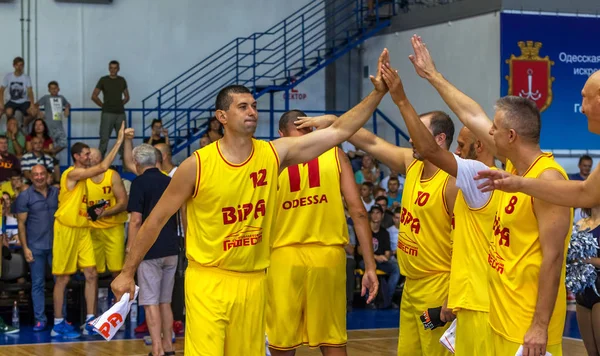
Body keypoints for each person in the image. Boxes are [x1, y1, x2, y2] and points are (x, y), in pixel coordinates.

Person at [111, 48, 389, 356]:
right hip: (209, 279)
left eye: (254, 106)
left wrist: (376, 95)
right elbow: (155, 220)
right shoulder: (197, 165)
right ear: (222, 117)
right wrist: (127, 271)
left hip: (254, 281)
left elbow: (338, 131)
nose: (252, 112)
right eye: (242, 107)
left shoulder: (273, 154)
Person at [408, 35, 572, 355]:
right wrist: (432, 75)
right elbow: (470, 113)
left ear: (511, 136)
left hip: (526, 329)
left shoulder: (548, 179)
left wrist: (539, 326)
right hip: (498, 318)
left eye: (495, 129)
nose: (489, 132)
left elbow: (553, 259)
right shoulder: (514, 167)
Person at [296, 91, 459, 356]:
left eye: (418, 131)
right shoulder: (412, 164)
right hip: (411, 285)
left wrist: (453, 295)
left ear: (439, 139)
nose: (410, 137)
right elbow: (370, 141)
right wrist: (335, 123)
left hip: (438, 286)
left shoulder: (452, 183)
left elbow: (466, 244)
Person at [378, 53, 501, 355]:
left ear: (480, 146)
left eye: (462, 145)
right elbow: (470, 113)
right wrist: (432, 74)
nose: (458, 151)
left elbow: (430, 148)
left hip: (452, 289)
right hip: (417, 284)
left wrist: (402, 98)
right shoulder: (460, 171)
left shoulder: (464, 180)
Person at [266, 110, 378, 355]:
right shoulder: (335, 154)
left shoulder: (271, 157)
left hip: (283, 258)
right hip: (328, 257)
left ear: (281, 133)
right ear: (311, 128)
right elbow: (358, 212)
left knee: (281, 342)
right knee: (332, 340)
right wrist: (369, 265)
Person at [475, 70, 600, 209]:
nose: (582, 109)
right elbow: (585, 193)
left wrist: (520, 184)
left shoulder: (548, 173)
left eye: (585, 97)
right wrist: (519, 184)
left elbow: (584, 194)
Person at [51, 123, 124, 339]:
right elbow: (102, 167)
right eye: (85, 154)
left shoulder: (84, 179)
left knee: (91, 273)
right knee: (63, 279)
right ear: (76, 156)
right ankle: (57, 323)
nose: (88, 156)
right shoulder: (72, 174)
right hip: (66, 228)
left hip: (82, 229)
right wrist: (118, 140)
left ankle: (90, 320)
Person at [127, 144, 179, 356]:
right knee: (165, 301)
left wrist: (131, 249)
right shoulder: (170, 181)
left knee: (150, 302)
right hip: (171, 247)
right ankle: (169, 346)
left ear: (138, 163)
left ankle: (157, 349)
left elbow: (136, 220)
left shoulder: (139, 183)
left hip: (149, 250)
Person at [15, 164, 59, 331]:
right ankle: (40, 319)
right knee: (37, 284)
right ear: (31, 177)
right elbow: (21, 224)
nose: (39, 177)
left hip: (56, 245)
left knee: (60, 282)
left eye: (42, 174)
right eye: (36, 175)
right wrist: (25, 248)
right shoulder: (24, 196)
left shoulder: (57, 193)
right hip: (35, 247)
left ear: (47, 175)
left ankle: (60, 318)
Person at [85, 148, 128, 277]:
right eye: (88, 156)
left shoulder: (112, 175)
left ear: (101, 159)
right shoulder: (82, 177)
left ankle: (119, 298)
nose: (90, 158)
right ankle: (95, 297)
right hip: (91, 229)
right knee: (91, 272)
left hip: (113, 228)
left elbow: (123, 203)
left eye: (93, 156)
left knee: (117, 270)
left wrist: (104, 213)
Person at [91, 60, 129, 157]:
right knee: (104, 139)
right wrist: (103, 106)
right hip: (107, 113)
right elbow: (94, 96)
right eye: (111, 68)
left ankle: (125, 165)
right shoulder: (103, 80)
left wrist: (119, 104)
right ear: (109, 68)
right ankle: (99, 165)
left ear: (118, 69)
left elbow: (127, 96)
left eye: (115, 68)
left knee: (122, 139)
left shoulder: (122, 80)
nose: (113, 70)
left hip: (120, 113)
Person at [0, 57, 36, 130]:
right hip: (11, 101)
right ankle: (9, 128)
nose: (19, 67)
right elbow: (1, 90)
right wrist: (1, 103)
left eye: (21, 65)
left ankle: (24, 124)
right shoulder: (8, 76)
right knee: (8, 112)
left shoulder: (26, 78)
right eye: (17, 65)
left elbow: (30, 91)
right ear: (14, 66)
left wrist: (32, 104)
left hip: (24, 102)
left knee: (34, 113)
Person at [35, 81, 70, 155]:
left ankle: (53, 153)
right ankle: (50, 157)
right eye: (51, 88)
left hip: (59, 126)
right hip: (48, 126)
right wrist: (39, 112)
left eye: (55, 88)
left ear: (58, 89)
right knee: (49, 144)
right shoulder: (46, 97)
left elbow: (68, 104)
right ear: (49, 90)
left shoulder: (61, 98)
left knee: (64, 143)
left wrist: (67, 109)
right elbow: (36, 105)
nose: (54, 90)